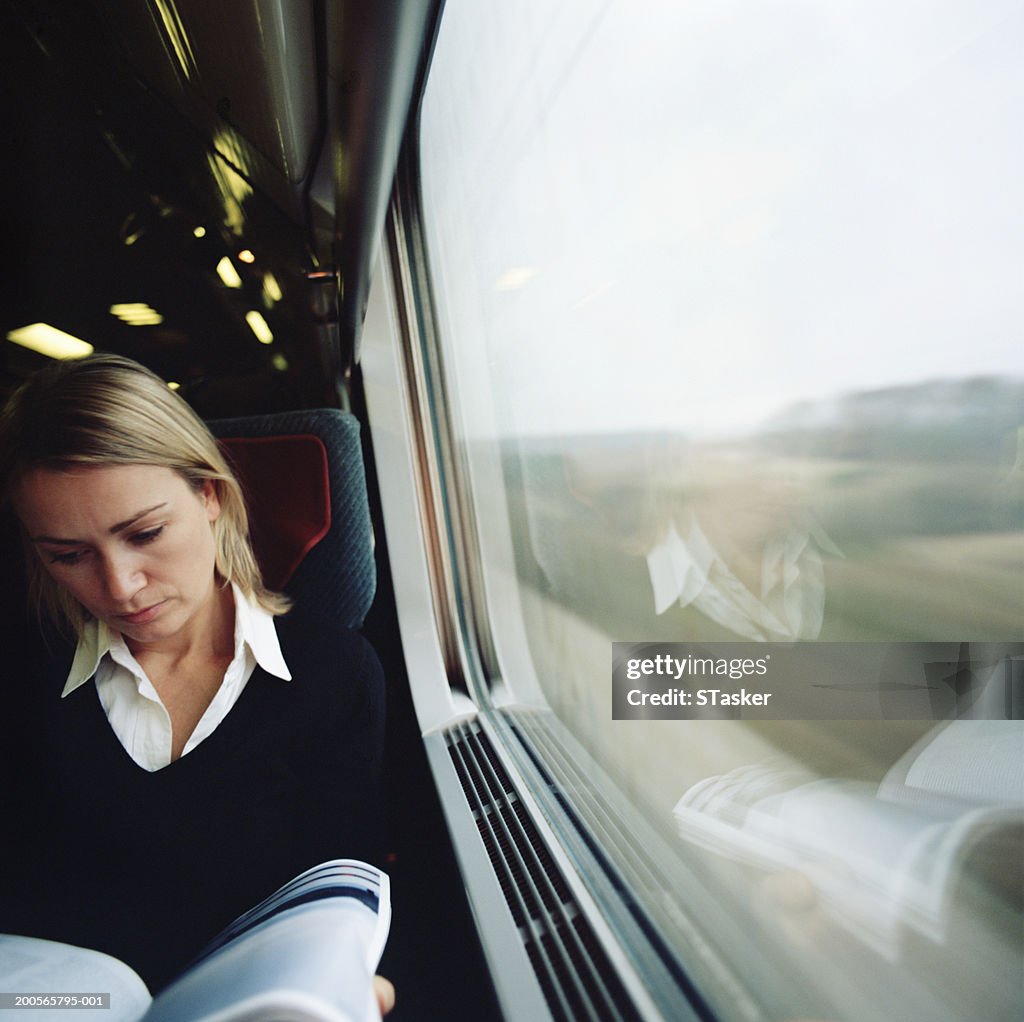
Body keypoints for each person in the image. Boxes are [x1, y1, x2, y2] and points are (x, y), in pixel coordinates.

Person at [0, 354, 392, 1009]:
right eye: (67, 556)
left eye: (145, 533)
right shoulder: (21, 668)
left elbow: (337, 892)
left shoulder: (333, 678)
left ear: (210, 496)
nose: (120, 587)